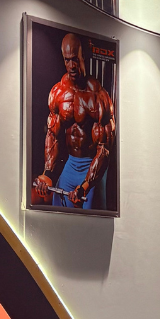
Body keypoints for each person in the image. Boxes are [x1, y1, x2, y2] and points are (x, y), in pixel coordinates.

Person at [31, 34, 116, 210]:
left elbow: (104, 149)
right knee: (59, 214)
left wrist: (86, 185)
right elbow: (53, 134)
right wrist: (47, 173)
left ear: (83, 56)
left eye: (75, 59)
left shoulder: (99, 96)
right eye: (67, 60)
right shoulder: (59, 92)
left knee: (93, 220)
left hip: (92, 166)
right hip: (70, 165)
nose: (71, 66)